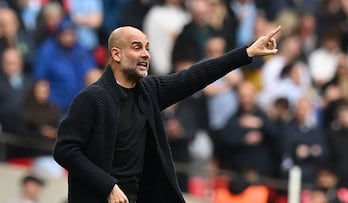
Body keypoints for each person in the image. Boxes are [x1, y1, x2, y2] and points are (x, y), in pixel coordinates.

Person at [53, 25, 281, 203]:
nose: (145, 54)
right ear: (116, 54)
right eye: (136, 47)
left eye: (147, 48)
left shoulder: (149, 91)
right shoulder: (92, 98)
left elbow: (195, 75)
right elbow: (65, 151)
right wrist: (108, 186)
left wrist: (246, 52)